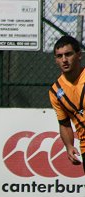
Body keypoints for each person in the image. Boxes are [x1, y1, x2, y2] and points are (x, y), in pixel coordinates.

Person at [49, 35, 85, 172]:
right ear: (56, 60)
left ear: (79, 55)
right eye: (59, 56)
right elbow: (64, 123)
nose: (64, 60)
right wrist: (69, 146)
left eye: (68, 54)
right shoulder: (55, 91)